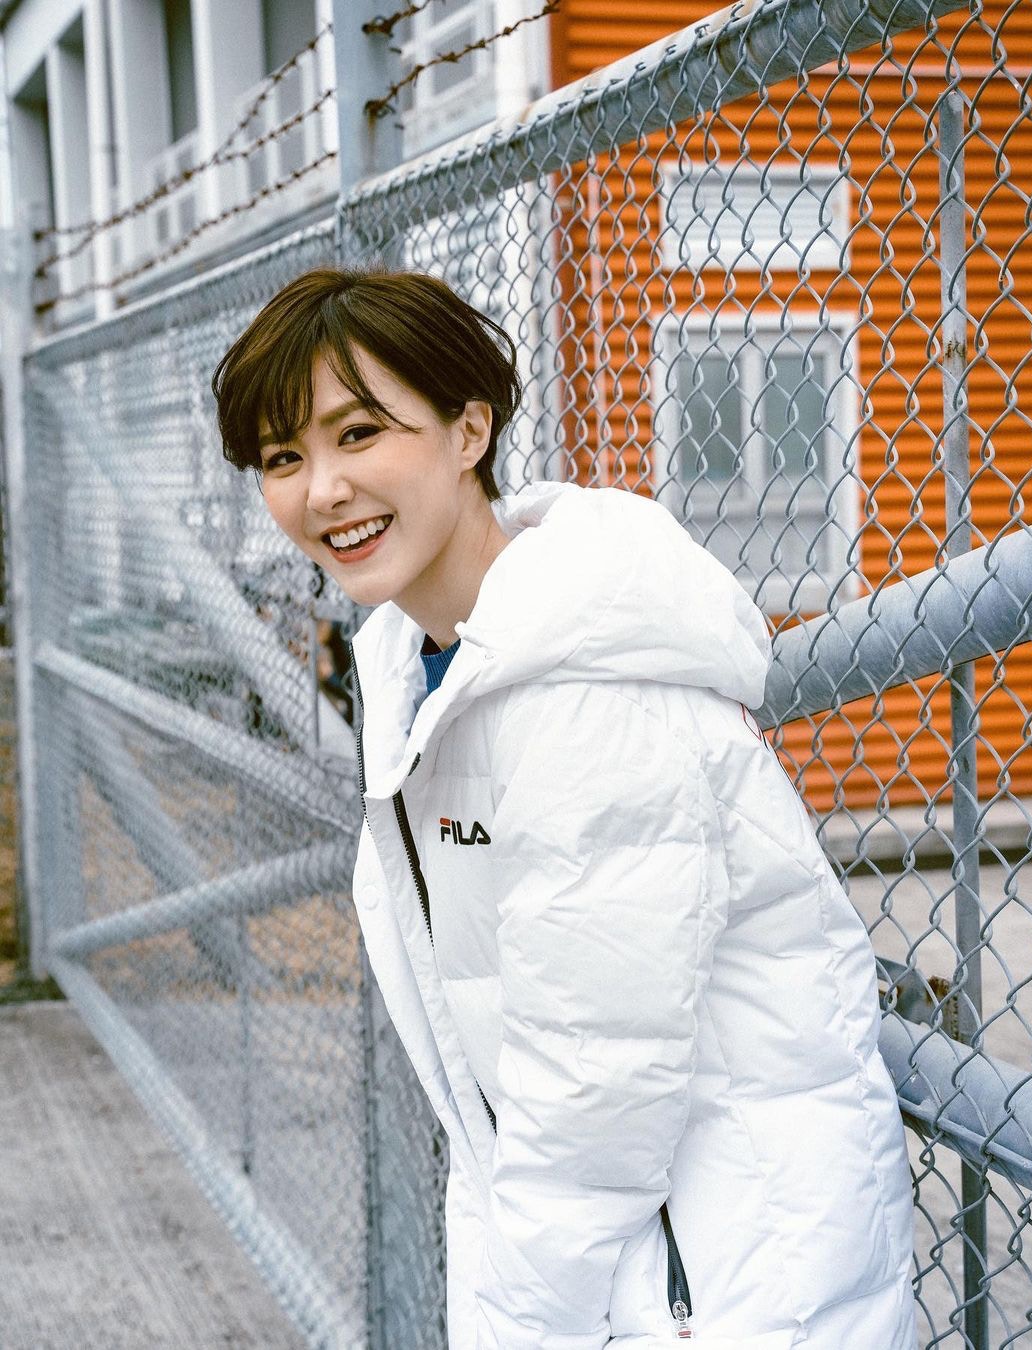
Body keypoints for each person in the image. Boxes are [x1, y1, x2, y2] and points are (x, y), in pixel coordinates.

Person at [212, 267, 918, 1349]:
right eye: (282, 458)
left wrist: (517, 1324)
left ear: (469, 430)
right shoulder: (427, 667)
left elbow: (595, 1095)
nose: (322, 491)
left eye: (358, 434)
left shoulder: (584, 697)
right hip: (648, 1272)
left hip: (720, 1295)